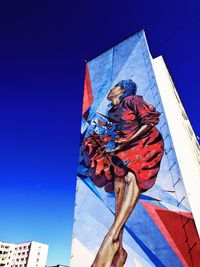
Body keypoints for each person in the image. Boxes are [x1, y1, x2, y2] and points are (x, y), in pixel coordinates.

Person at [82, 79, 164, 267]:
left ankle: (111, 238)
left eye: (114, 87)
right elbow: (116, 130)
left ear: (123, 90)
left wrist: (127, 142)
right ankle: (118, 246)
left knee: (130, 177)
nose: (110, 89)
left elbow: (150, 121)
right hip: (124, 149)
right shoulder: (112, 110)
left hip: (145, 144)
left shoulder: (132, 101)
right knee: (118, 178)